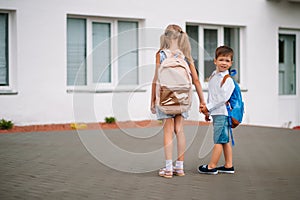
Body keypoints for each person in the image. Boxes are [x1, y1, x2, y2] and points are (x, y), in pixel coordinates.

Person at [150, 24, 206, 178]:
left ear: (165, 37)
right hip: (183, 98)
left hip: (165, 97)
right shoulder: (186, 56)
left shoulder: (160, 54)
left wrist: (152, 100)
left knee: (167, 131)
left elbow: (156, 79)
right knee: (179, 131)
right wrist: (202, 101)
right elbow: (196, 80)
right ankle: (179, 168)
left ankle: (168, 169)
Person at [198, 45, 236, 175]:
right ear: (215, 61)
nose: (224, 63)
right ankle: (228, 165)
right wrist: (208, 111)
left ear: (231, 63)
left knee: (219, 140)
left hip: (223, 114)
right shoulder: (214, 75)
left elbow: (222, 98)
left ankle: (211, 166)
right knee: (224, 140)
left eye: (227, 60)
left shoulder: (228, 80)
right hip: (216, 113)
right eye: (221, 59)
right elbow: (212, 95)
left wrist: (207, 107)